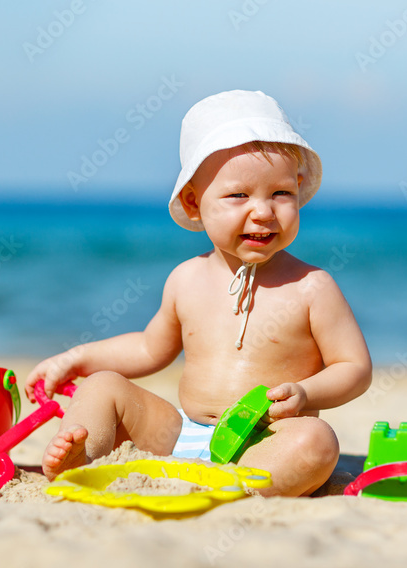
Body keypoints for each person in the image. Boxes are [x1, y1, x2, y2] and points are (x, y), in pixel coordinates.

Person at [27, 90, 371, 497]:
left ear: (298, 189)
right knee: (103, 386)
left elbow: (354, 368)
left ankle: (235, 487)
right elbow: (149, 349)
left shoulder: (312, 287)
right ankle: (82, 461)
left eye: (280, 193)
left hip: (261, 443)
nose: (262, 211)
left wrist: (306, 392)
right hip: (179, 436)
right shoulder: (186, 279)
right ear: (194, 203)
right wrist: (78, 358)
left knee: (316, 441)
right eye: (238, 195)